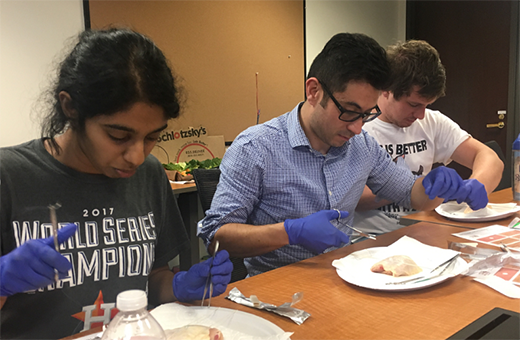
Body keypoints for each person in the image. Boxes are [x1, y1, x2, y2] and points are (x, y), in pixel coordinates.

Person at [0, 28, 232, 340]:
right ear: (71, 108)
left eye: (152, 137)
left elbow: (154, 277)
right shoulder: (9, 177)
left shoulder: (149, 175)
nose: (137, 156)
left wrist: (179, 285)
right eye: (118, 136)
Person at [198, 32, 486, 277]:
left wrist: (434, 184)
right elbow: (216, 237)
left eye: (366, 114)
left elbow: (413, 195)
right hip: (276, 288)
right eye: (349, 111)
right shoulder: (256, 148)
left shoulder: (362, 147)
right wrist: (289, 232)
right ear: (314, 91)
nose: (358, 127)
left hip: (344, 276)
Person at [355, 40, 504, 235]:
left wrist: (477, 184)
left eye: (427, 105)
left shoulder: (432, 122)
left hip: (421, 232)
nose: (421, 115)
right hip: (370, 239)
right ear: (386, 89)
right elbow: (352, 196)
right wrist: (418, 187)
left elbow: (489, 157)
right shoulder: (358, 126)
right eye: (414, 104)